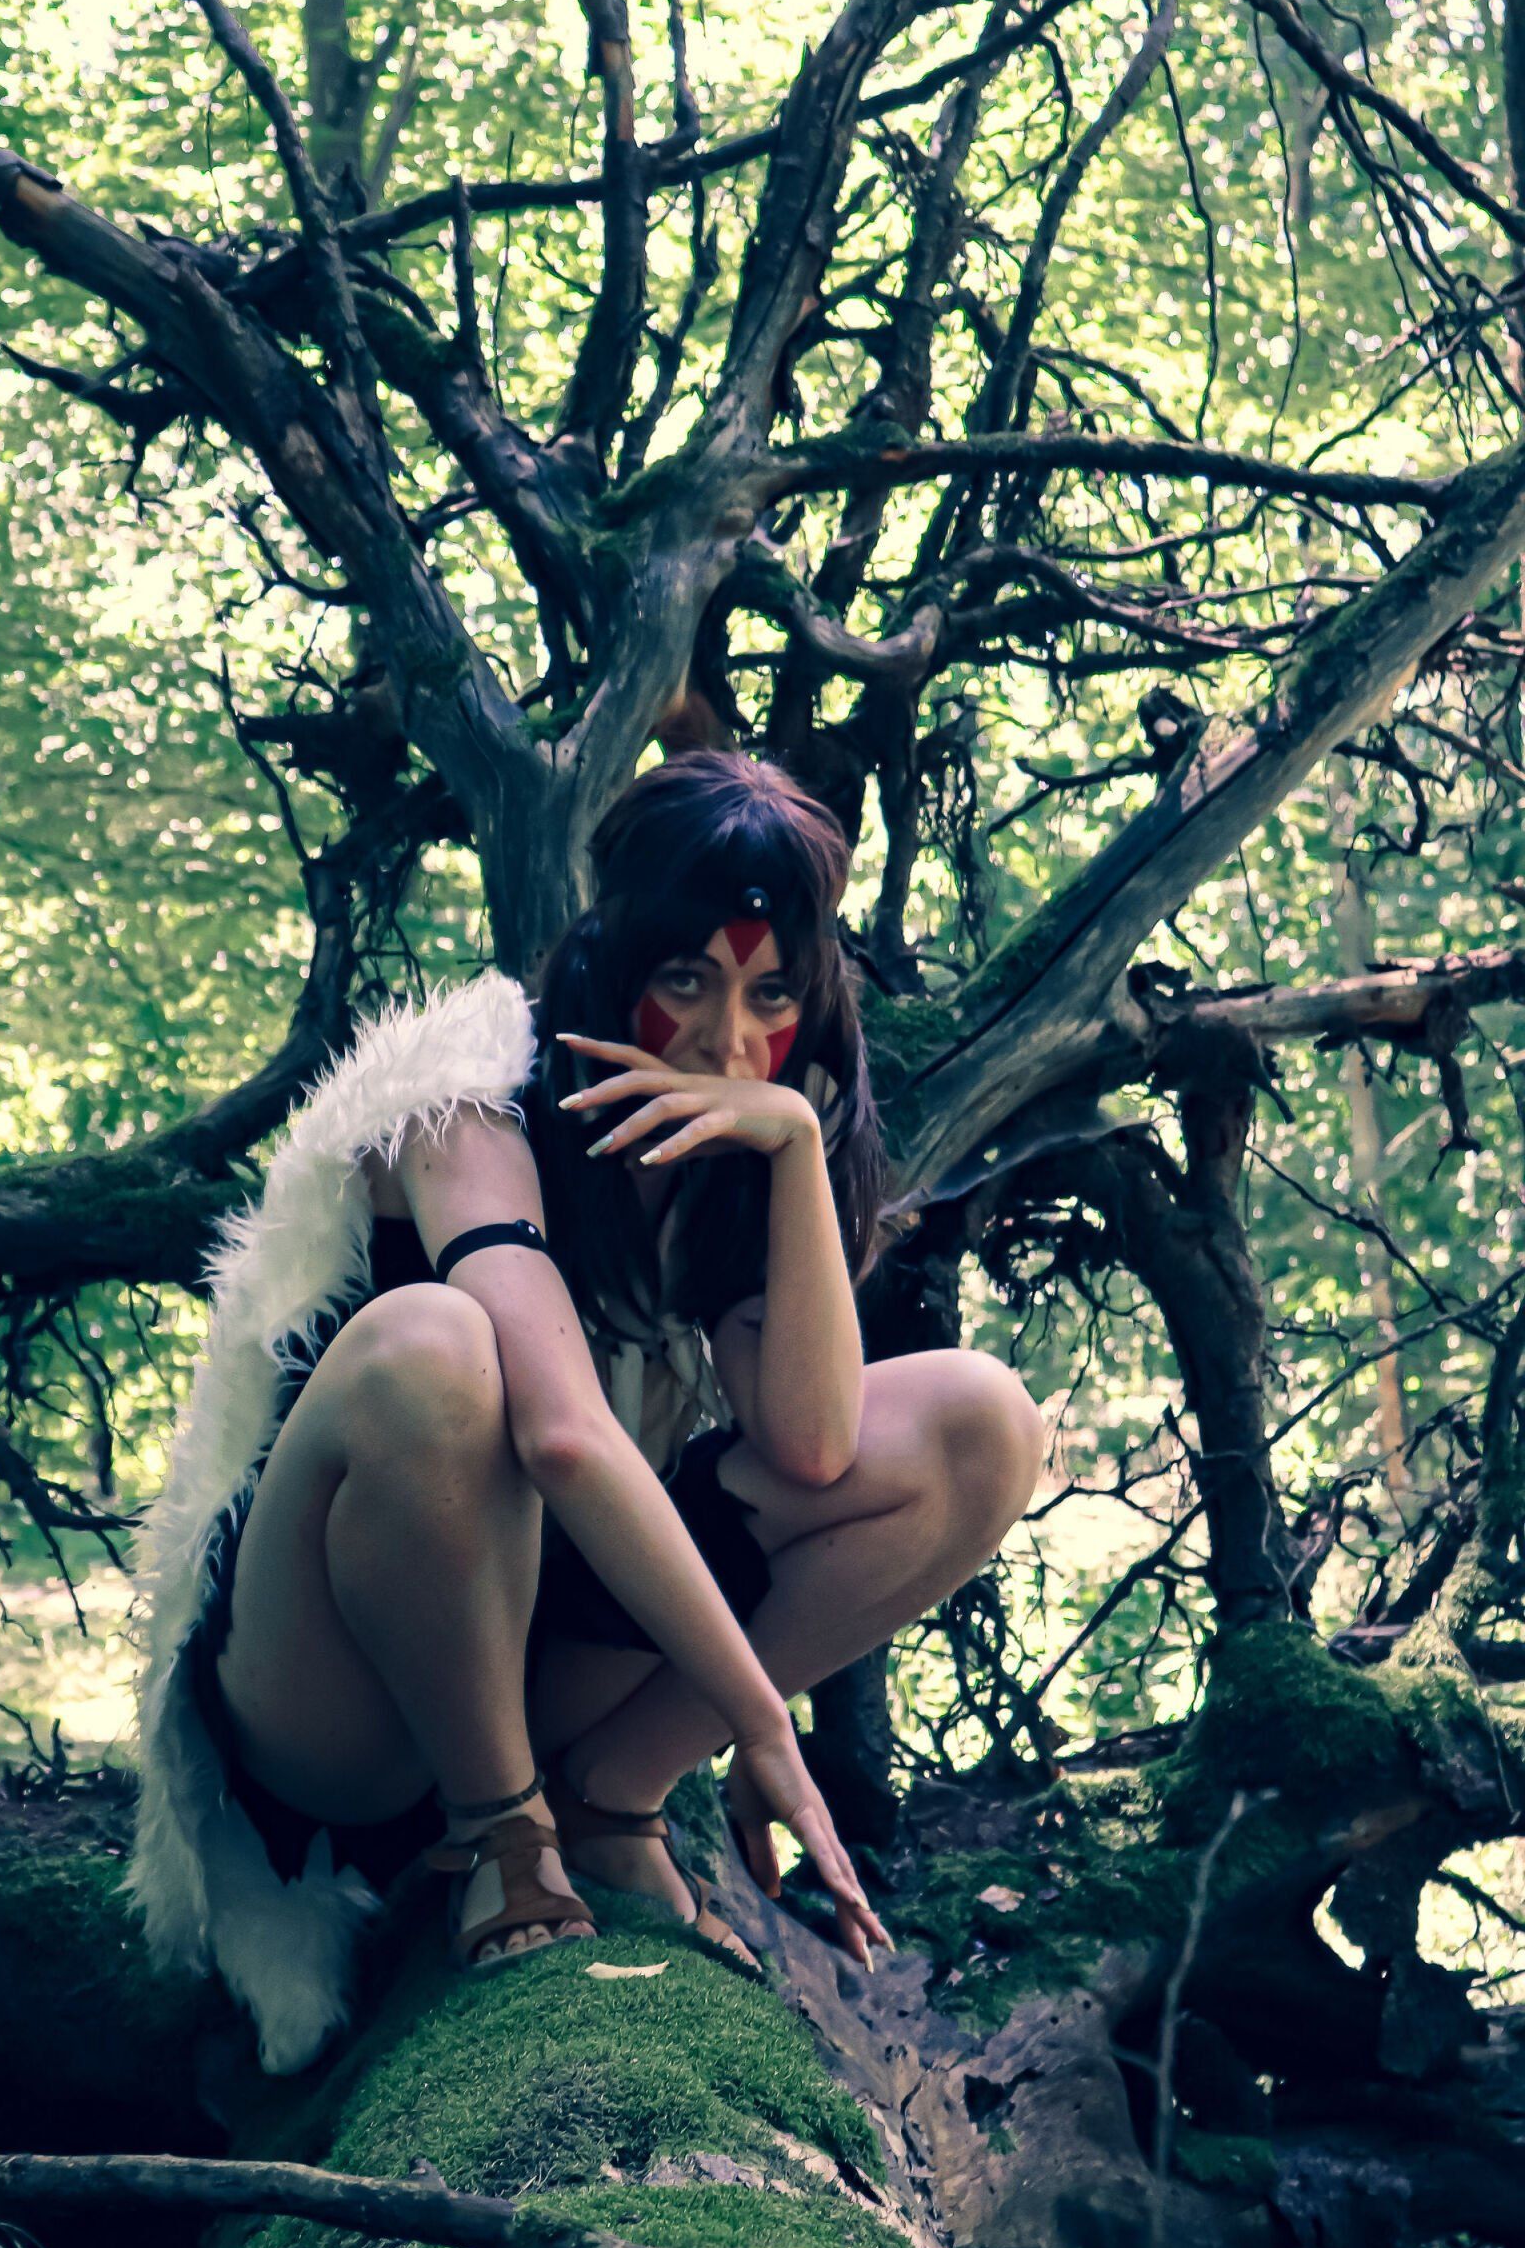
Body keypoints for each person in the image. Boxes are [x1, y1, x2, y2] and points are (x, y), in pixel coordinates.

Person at [128, 753, 1044, 2074]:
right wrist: (766, 1725)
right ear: (614, 963)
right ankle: (502, 1835)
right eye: (688, 980)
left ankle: (608, 1797)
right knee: (435, 1347)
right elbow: (561, 1434)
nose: (726, 1041)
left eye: (771, 993)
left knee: (981, 1422)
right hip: (336, 1701)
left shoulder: (742, 1150)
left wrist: (793, 1147)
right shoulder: (462, 1102)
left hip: (541, 1655)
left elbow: (814, 1449)